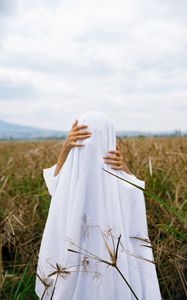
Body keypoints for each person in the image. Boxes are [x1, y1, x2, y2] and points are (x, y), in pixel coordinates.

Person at [35, 111, 162, 300]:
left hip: (94, 255)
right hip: (107, 257)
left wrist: (66, 150)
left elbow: (55, 186)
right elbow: (133, 194)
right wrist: (66, 151)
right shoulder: (93, 171)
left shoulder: (87, 169)